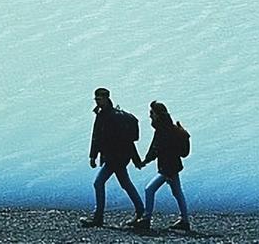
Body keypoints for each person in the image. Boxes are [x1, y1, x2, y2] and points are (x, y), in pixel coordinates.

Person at [79, 87, 144, 228]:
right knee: (125, 184)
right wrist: (93, 156)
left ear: (107, 98)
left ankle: (98, 217)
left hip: (115, 158)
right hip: (113, 157)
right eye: (96, 98)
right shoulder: (101, 114)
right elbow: (96, 136)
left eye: (99, 98)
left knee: (98, 183)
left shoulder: (112, 116)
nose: (97, 101)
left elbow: (126, 140)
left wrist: (135, 158)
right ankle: (141, 211)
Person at [132, 101, 190, 232]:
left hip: (168, 168)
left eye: (152, 113)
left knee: (149, 189)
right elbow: (155, 149)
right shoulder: (166, 128)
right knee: (177, 193)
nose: (150, 115)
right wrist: (145, 161)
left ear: (158, 114)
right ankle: (184, 221)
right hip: (172, 167)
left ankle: (146, 219)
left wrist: (146, 162)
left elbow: (157, 149)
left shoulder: (164, 130)